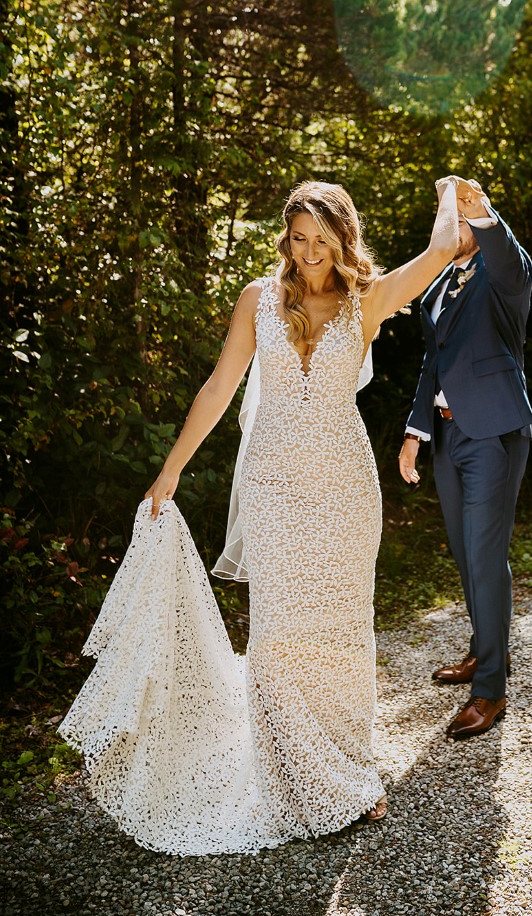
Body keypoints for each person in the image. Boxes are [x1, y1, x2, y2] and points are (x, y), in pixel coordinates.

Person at [60, 177, 461, 856]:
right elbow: (220, 387)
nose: (307, 254)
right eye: (298, 239)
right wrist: (172, 468)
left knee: (341, 634)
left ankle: (349, 774)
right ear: (286, 239)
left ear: (342, 238)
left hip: (343, 488)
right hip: (272, 488)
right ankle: (288, 782)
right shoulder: (258, 300)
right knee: (276, 638)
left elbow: (445, 246)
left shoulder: (369, 297)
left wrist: (452, 191)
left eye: (320, 241)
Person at [398, 177, 532, 740]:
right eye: (446, 217)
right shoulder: (435, 288)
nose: (451, 227)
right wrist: (415, 430)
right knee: (466, 551)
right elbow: (434, 364)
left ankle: (490, 691)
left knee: (484, 555)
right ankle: (484, 653)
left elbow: (512, 259)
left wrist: (482, 211)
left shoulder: (502, 279)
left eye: (460, 220)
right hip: (449, 436)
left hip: (494, 432)